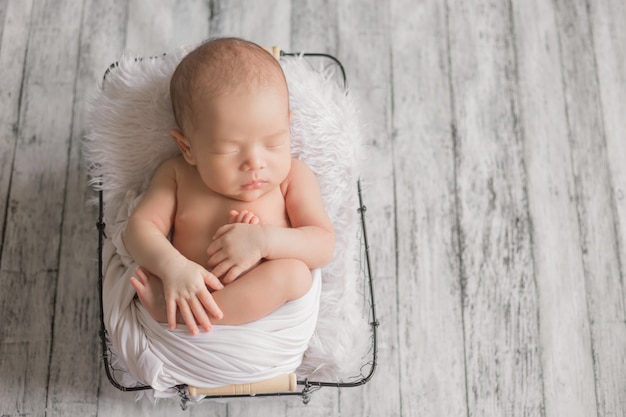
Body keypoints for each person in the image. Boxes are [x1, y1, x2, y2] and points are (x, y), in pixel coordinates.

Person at [123, 37, 335, 336]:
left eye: (273, 143)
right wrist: (174, 267)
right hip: (188, 313)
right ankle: (188, 309)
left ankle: (192, 314)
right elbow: (138, 229)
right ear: (188, 148)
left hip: (265, 322)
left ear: (289, 125)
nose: (255, 163)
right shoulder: (178, 174)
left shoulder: (293, 177)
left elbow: (323, 245)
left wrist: (263, 241)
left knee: (295, 274)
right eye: (230, 150)